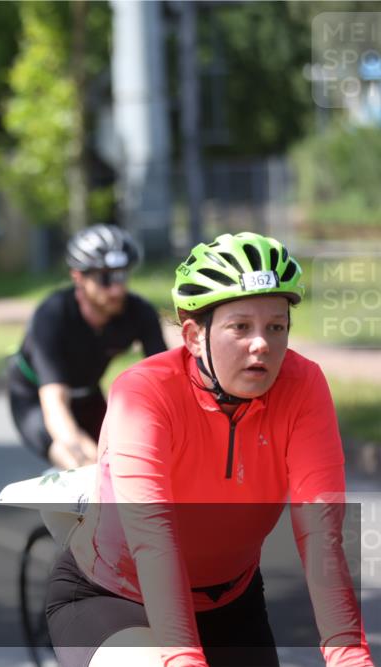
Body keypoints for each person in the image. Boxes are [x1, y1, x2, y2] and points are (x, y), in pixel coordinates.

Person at [44, 232, 373, 667]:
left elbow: (321, 534)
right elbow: (154, 542)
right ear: (194, 336)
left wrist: (348, 652)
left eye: (277, 326)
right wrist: (182, 657)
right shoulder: (144, 394)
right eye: (241, 326)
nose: (262, 343)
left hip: (230, 601)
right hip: (116, 596)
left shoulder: (303, 386)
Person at [8, 224, 167, 469]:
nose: (116, 288)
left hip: (88, 394)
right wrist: (85, 459)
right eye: (104, 278)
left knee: (123, 459)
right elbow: (55, 402)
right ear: (78, 277)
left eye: (121, 276)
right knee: (81, 463)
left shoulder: (139, 312)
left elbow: (167, 380)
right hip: (36, 398)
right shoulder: (52, 315)